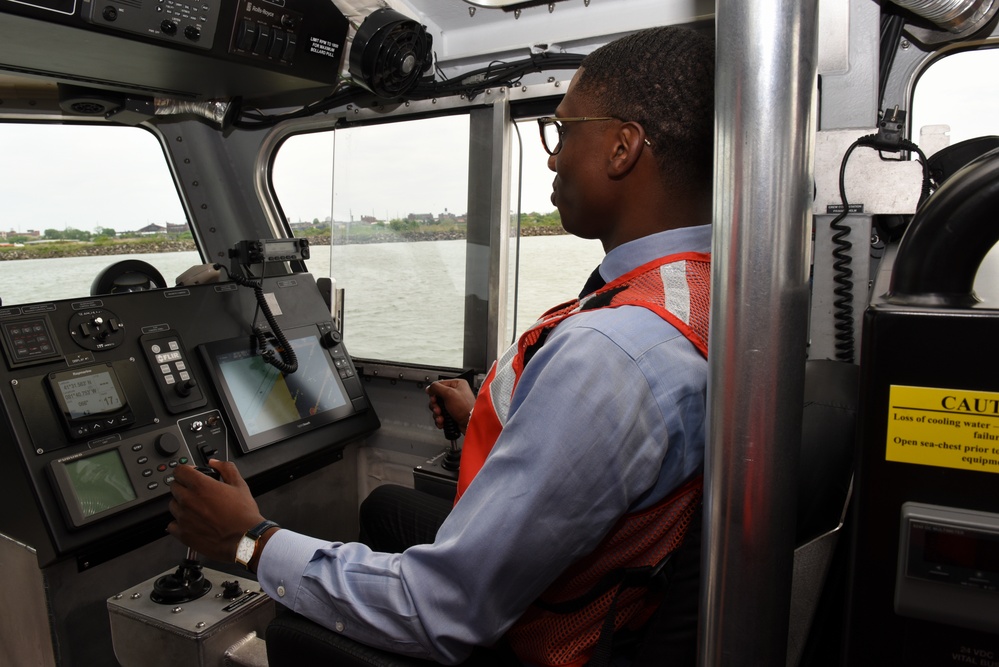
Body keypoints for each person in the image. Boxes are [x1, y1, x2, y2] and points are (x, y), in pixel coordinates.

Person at [167, 24, 715, 666]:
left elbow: (443, 609)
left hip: (546, 641)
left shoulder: (611, 354)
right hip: (617, 600)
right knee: (385, 510)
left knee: (290, 628)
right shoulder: (705, 294)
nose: (552, 156)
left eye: (563, 131)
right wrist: (490, 413)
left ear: (621, 148)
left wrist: (248, 541)